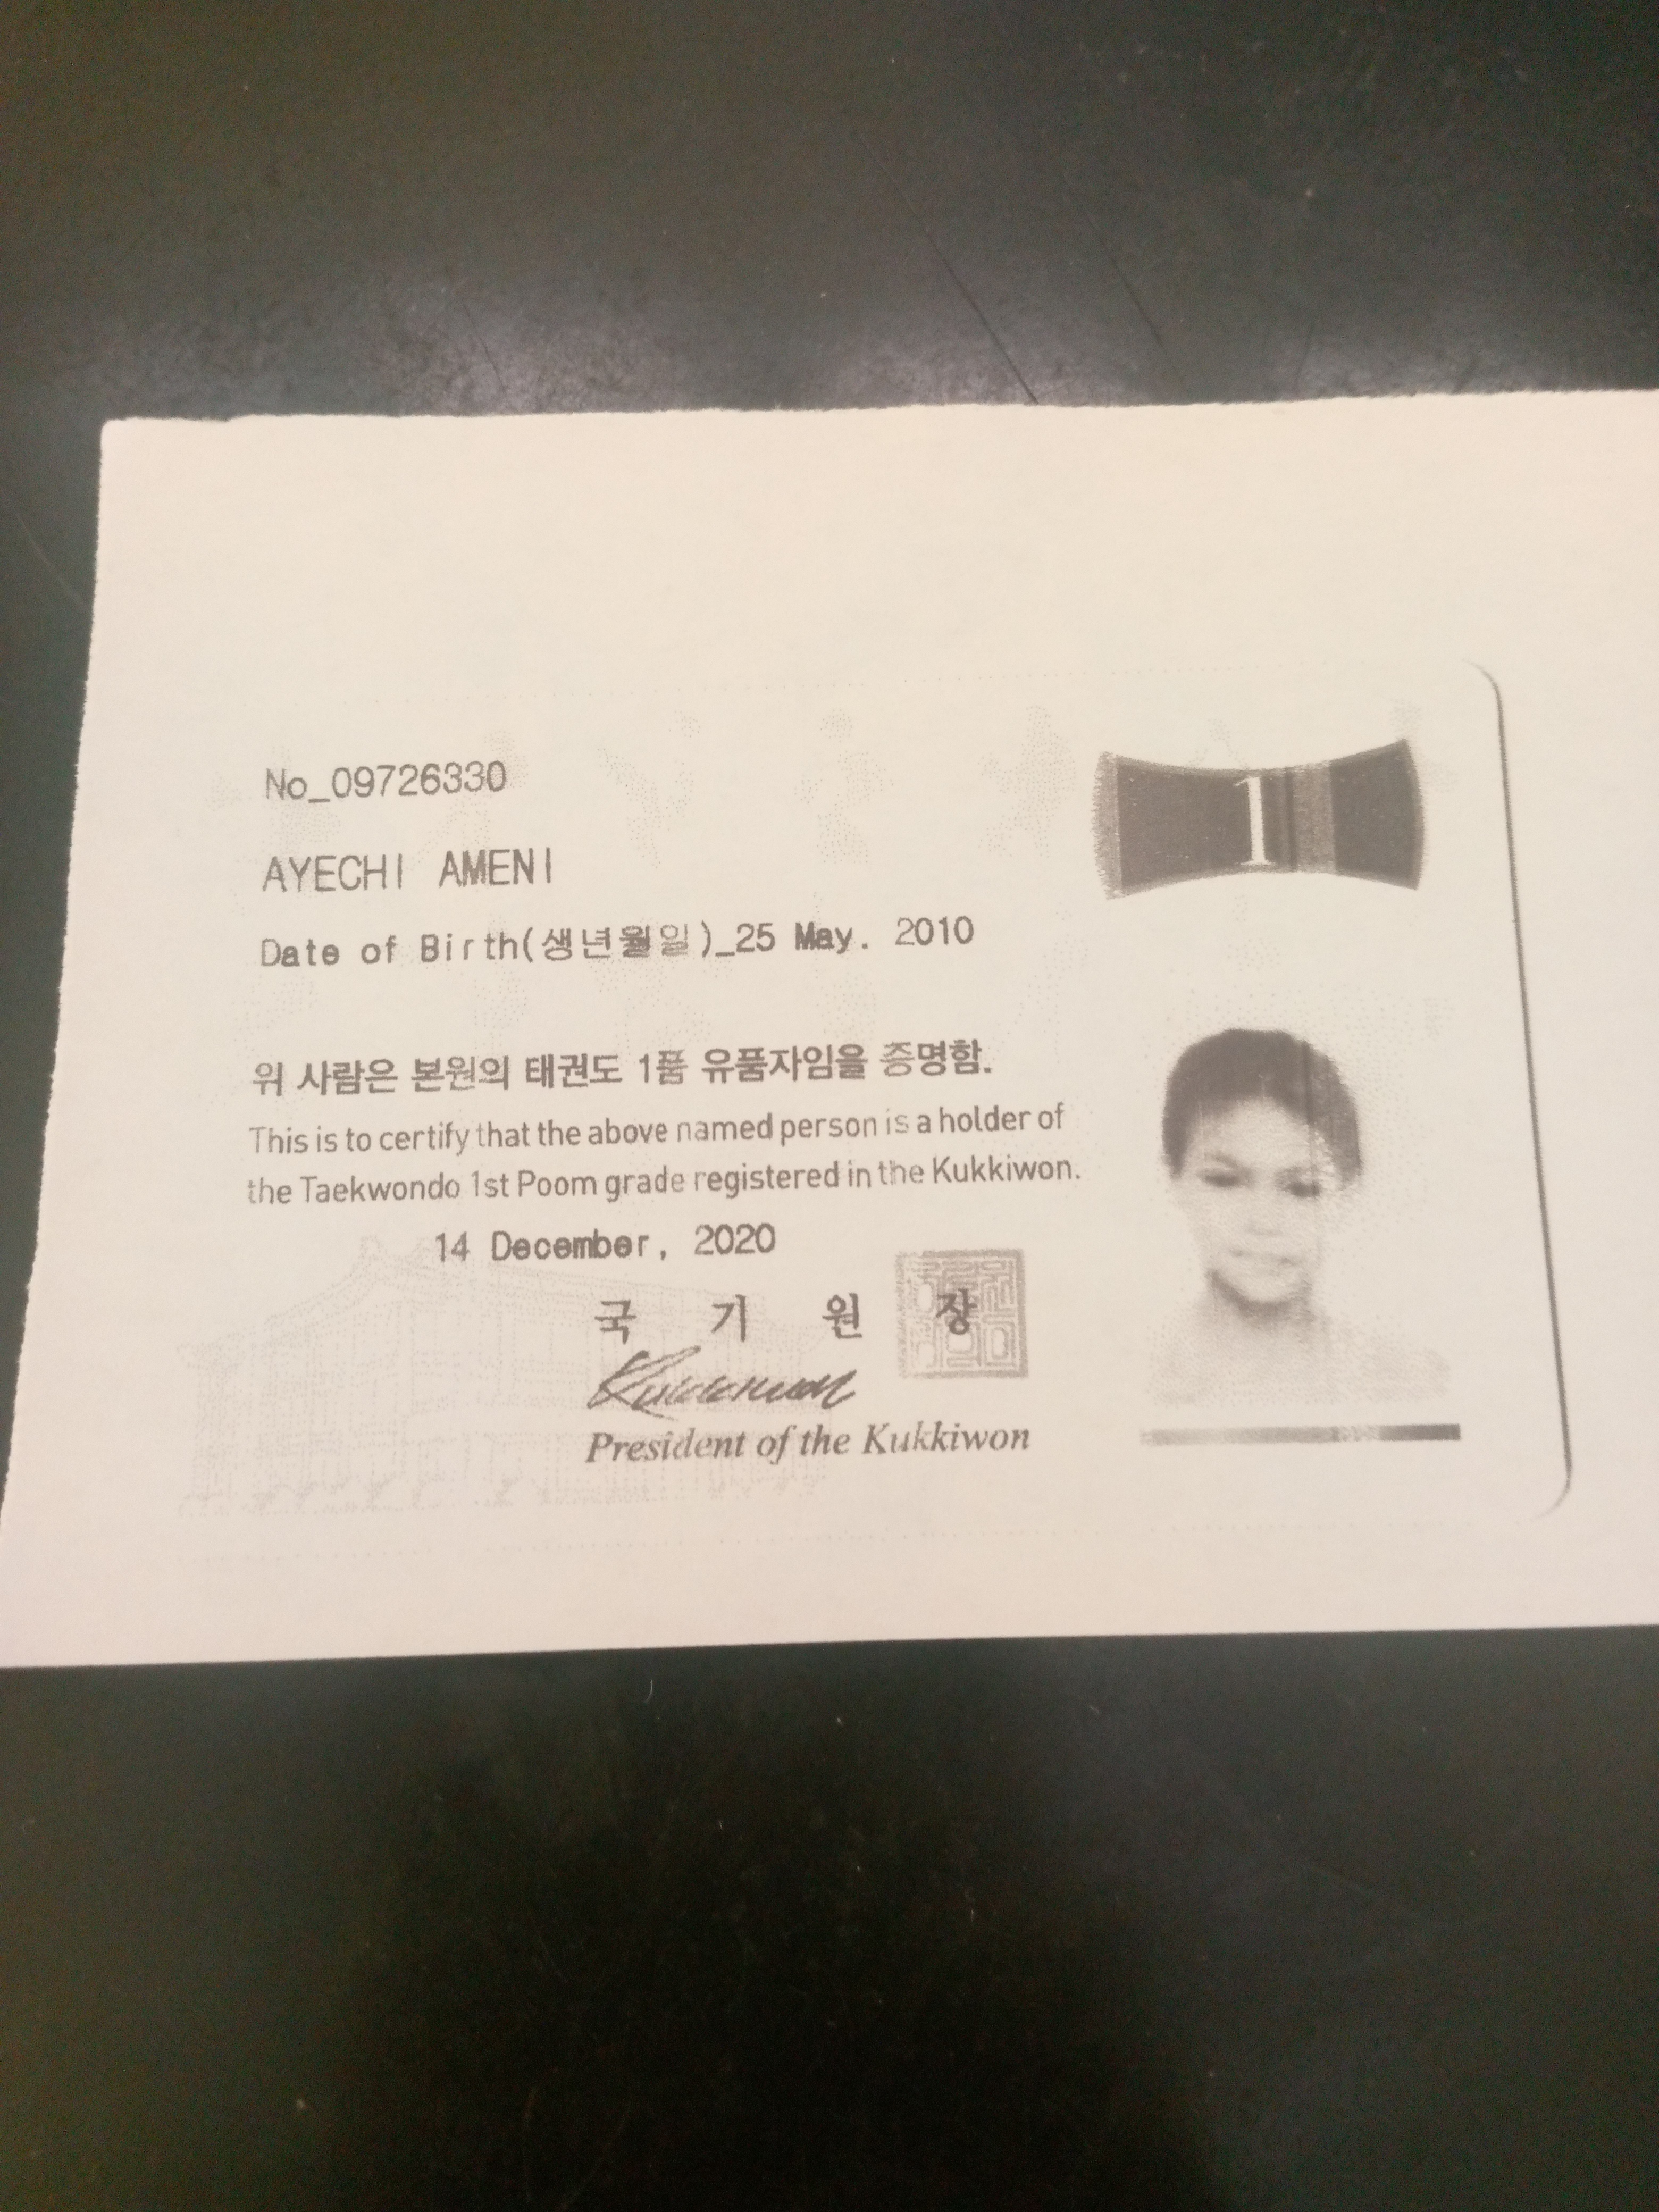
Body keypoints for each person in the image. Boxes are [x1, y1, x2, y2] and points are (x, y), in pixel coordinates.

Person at [1150, 1028, 1446, 1407]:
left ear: (1347, 1191)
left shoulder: (1413, 1385)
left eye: (1302, 1189)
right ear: (1173, 1179)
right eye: (1225, 1181)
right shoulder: (1125, 1381)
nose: (1264, 1222)